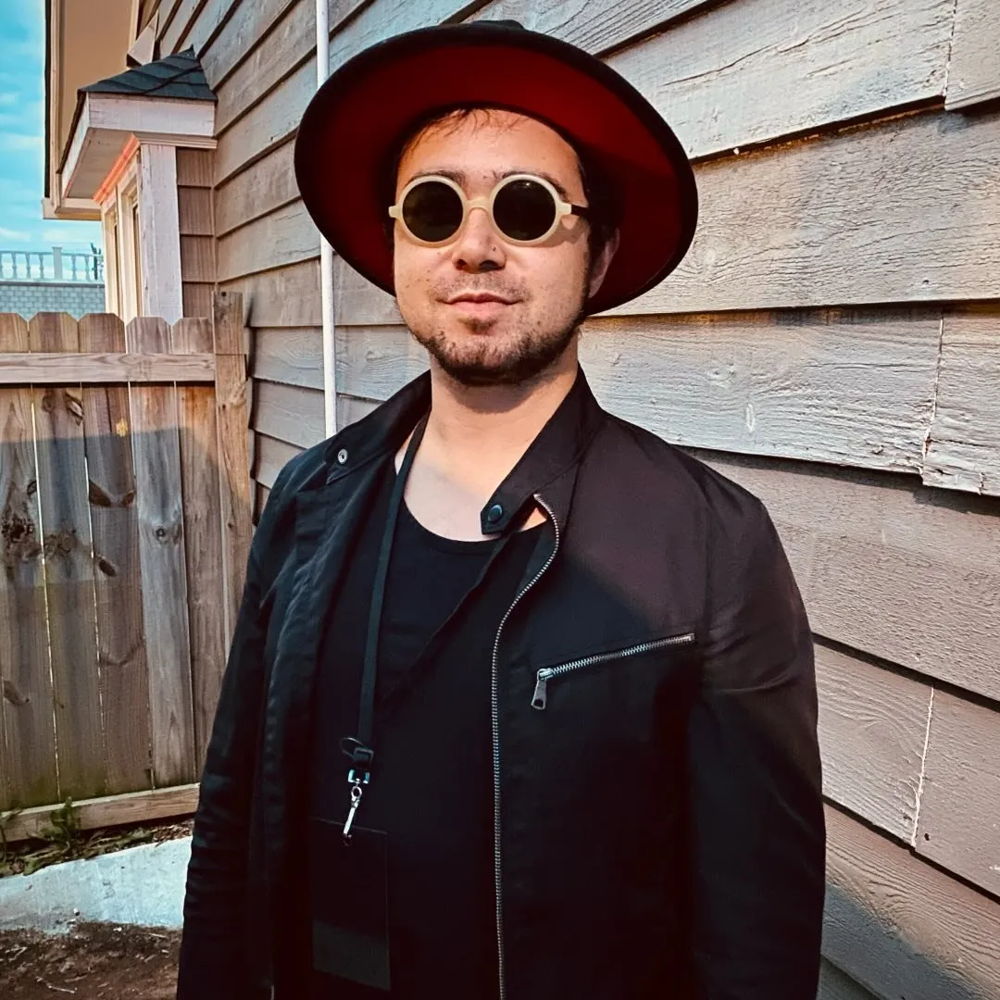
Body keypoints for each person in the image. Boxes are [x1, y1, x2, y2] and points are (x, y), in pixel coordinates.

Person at [177, 19, 825, 1000]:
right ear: (395, 244)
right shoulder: (308, 500)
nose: (475, 247)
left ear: (597, 256)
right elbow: (232, 817)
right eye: (434, 209)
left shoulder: (711, 546)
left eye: (525, 208)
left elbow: (756, 937)